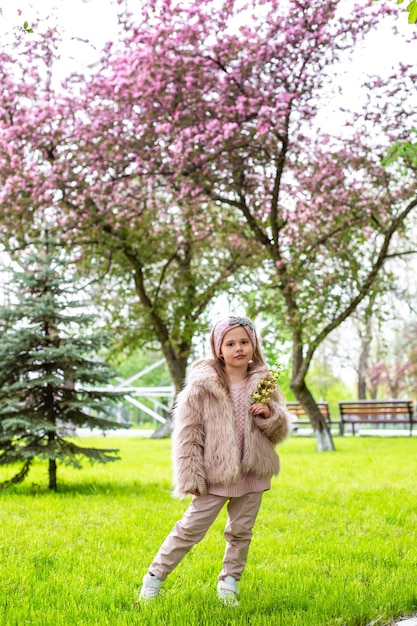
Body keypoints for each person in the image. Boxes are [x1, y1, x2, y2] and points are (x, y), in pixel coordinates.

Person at [139, 315, 291, 606]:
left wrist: (269, 416)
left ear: (253, 345)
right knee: (190, 528)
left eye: (245, 342)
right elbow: (188, 435)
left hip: (253, 471)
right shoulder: (201, 386)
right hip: (214, 475)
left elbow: (279, 430)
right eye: (230, 343)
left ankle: (229, 582)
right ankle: (154, 577)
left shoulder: (264, 382)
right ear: (218, 349)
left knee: (241, 532)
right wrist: (191, 476)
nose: (239, 348)